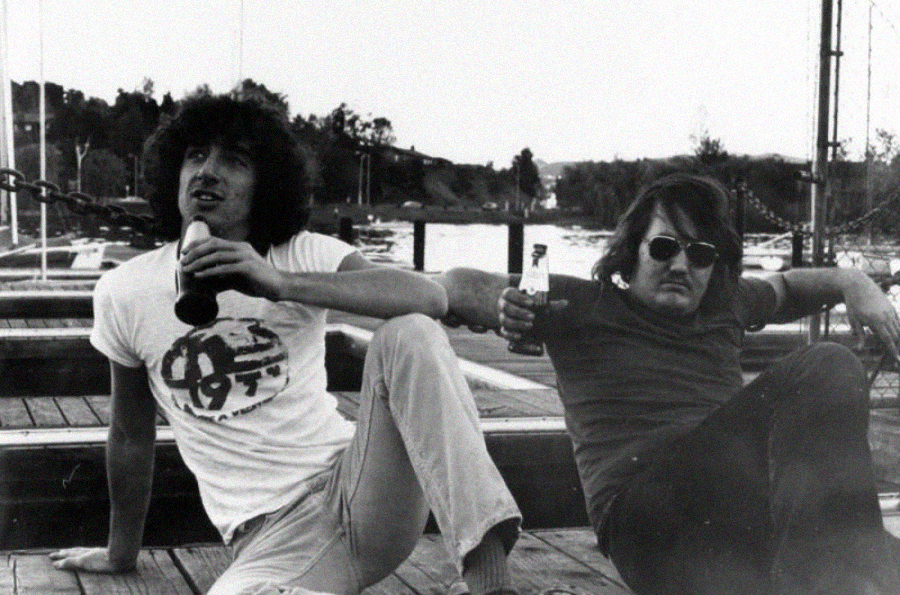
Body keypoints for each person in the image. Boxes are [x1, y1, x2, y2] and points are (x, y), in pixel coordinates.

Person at [49, 94, 521, 595]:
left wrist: (279, 282)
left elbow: (426, 297)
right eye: (195, 156)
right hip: (270, 539)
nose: (207, 172)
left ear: (265, 183)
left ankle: (490, 582)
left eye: (234, 160)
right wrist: (120, 553)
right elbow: (129, 435)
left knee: (410, 331)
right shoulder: (126, 290)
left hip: (360, 489)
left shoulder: (301, 253)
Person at [436, 171, 900, 595]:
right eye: (664, 247)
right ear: (632, 250)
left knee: (873, 554)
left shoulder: (727, 304)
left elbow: (791, 286)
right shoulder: (579, 303)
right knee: (827, 365)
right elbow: (453, 284)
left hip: (738, 523)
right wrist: (506, 303)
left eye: (700, 254)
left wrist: (852, 282)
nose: (681, 264)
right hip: (650, 526)